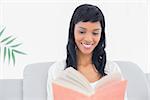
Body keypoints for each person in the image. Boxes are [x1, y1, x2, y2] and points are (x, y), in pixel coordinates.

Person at [47, 4, 127, 100]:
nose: (88, 39)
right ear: (73, 32)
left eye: (95, 33)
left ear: (101, 35)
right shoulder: (57, 70)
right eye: (82, 32)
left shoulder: (112, 70)